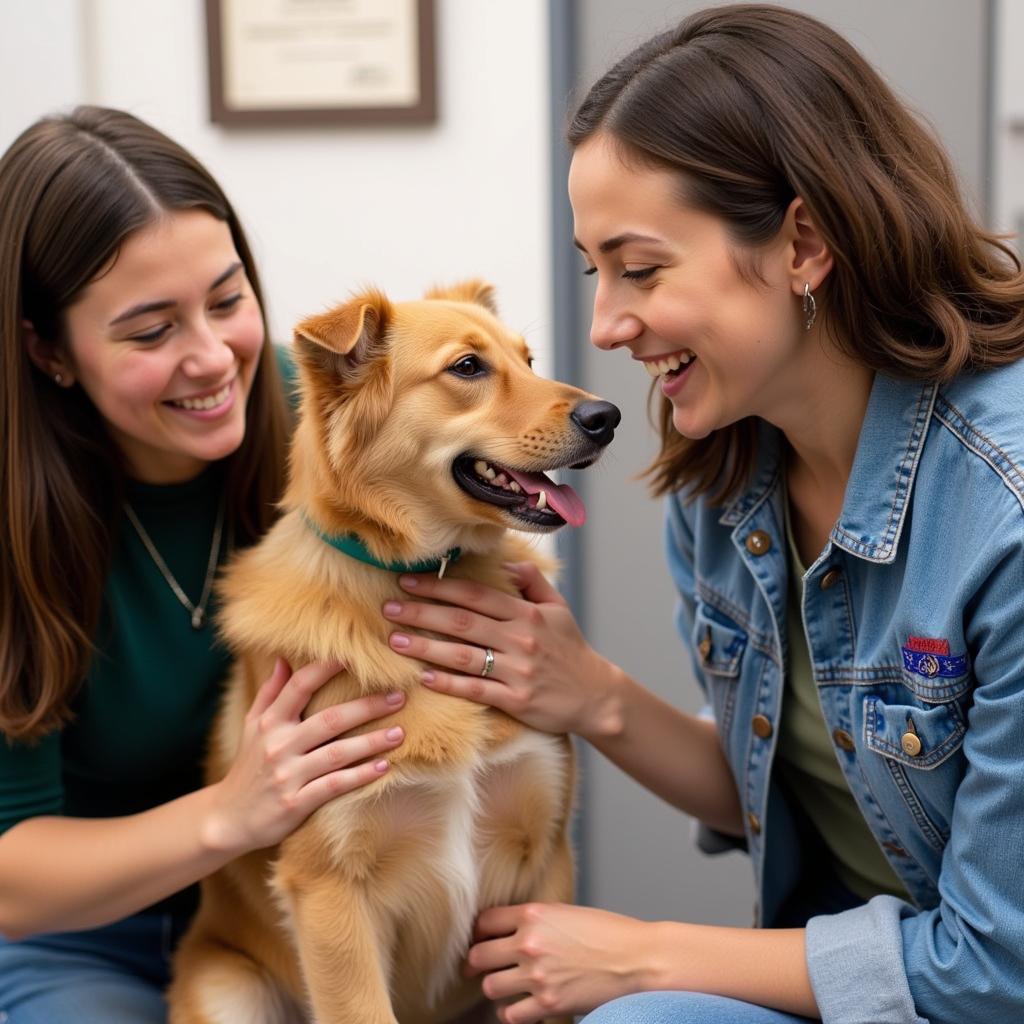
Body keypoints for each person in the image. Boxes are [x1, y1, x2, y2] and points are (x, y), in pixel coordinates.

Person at [381, 5, 1024, 1023]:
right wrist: (586, 691)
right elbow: (790, 780)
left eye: (639, 269)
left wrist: (643, 956)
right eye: (597, 271)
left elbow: (997, 966)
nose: (604, 324)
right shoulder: (727, 477)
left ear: (802, 241)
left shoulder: (1006, 512)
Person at [0, 106, 406, 1023]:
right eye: (150, 332)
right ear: (49, 351)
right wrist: (230, 813)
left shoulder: (329, 426)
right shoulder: (16, 530)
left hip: (335, 910)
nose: (213, 356)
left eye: (227, 299)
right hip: (93, 935)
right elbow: (10, 874)